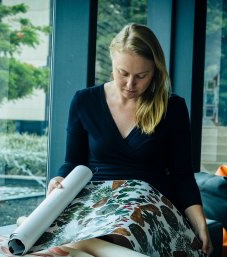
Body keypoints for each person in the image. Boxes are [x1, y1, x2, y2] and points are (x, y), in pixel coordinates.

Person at [48, 23, 213, 256]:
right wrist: (58, 179)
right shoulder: (84, 101)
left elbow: (182, 175)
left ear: (155, 70)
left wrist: (200, 224)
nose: (130, 84)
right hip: (97, 200)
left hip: (148, 201)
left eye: (141, 76)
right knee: (100, 232)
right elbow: (73, 162)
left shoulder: (172, 107)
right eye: (122, 73)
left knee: (120, 232)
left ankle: (81, 246)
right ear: (112, 63)